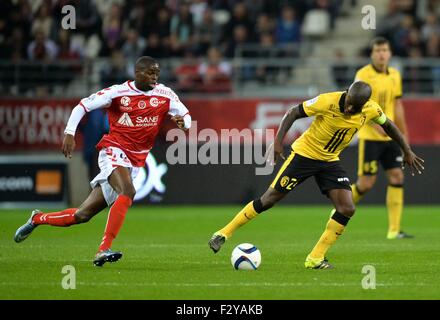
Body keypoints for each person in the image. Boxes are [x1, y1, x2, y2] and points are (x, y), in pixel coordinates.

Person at [208, 81, 424, 269]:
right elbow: (293, 112)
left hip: (330, 161)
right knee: (269, 199)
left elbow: (390, 126)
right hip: (304, 155)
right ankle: (222, 233)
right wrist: (277, 141)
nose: (349, 108)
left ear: (363, 105)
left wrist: (406, 150)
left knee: (347, 208)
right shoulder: (327, 101)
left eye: (354, 107)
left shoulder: (371, 109)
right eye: (348, 102)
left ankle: (315, 257)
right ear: (347, 93)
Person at [14, 56, 191, 267]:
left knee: (82, 215)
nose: (155, 76)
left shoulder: (165, 94)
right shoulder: (117, 93)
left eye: (157, 72)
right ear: (137, 73)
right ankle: (103, 249)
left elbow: (185, 114)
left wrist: (184, 124)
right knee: (128, 191)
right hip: (113, 149)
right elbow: (82, 106)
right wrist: (70, 132)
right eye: (150, 72)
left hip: (136, 160)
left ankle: (37, 219)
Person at [352, 37, 412, 239]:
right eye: (377, 50)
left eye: (384, 50)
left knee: (397, 176)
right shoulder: (363, 74)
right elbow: (357, 106)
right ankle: (341, 206)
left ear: (390, 53)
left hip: (391, 136)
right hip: (370, 137)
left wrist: (403, 134)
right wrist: (378, 127)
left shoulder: (395, 75)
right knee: (366, 184)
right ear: (372, 54)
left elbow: (398, 106)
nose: (381, 53)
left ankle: (394, 230)